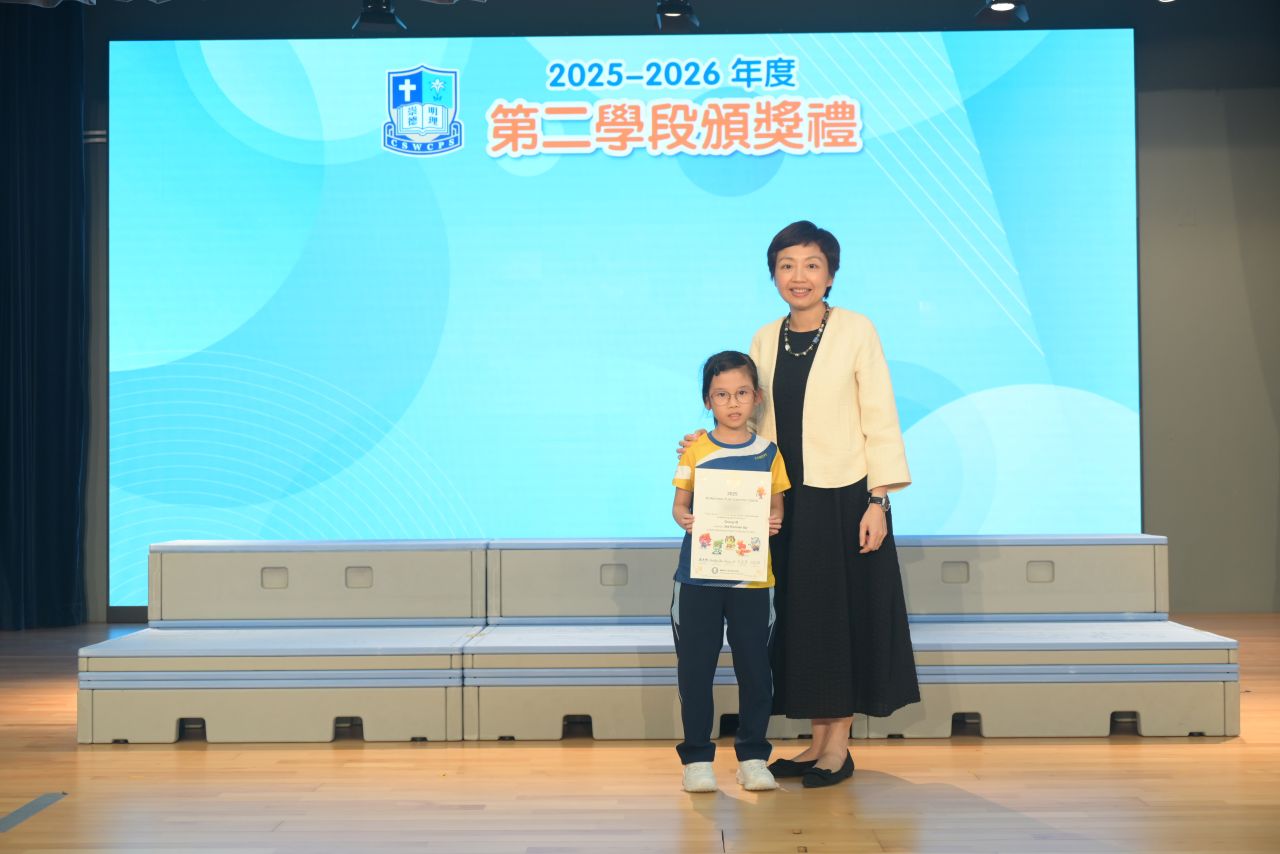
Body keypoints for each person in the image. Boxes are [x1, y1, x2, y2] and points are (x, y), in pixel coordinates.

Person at [680, 221, 919, 789]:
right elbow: (749, 414)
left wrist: (878, 501)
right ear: (773, 275)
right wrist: (707, 445)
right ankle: (816, 743)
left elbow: (880, 415)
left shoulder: (857, 329)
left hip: (846, 496)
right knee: (802, 621)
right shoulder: (766, 338)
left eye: (812, 264)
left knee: (840, 618)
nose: (799, 276)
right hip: (783, 501)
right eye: (786, 265)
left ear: (830, 274)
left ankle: (838, 749)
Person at [670, 351, 790, 793]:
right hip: (698, 579)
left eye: (741, 393)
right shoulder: (696, 450)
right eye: (721, 395)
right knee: (695, 671)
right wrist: (685, 519)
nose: (733, 402)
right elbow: (679, 505)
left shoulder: (769, 453)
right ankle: (697, 760)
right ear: (708, 400)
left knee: (755, 670)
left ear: (756, 397)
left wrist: (774, 521)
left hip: (752, 581)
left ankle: (753, 757)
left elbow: (776, 507)